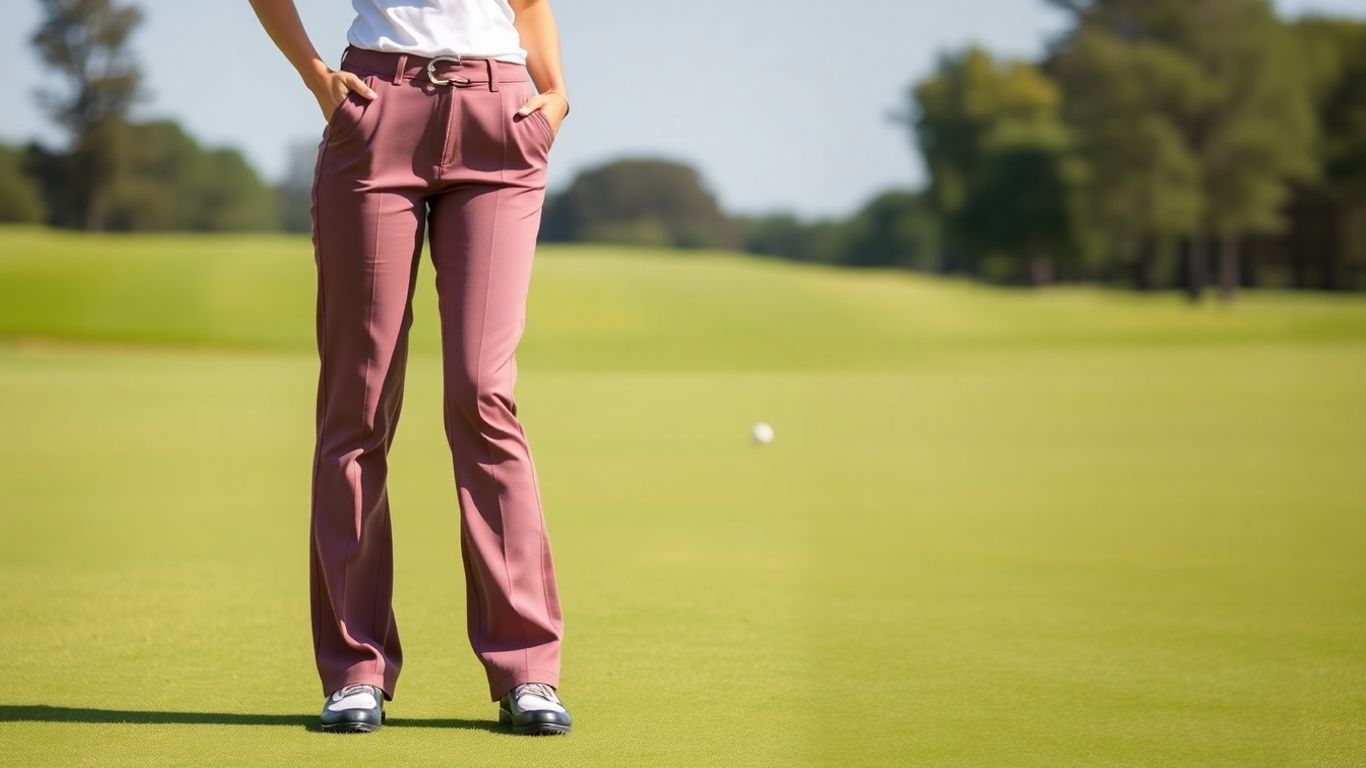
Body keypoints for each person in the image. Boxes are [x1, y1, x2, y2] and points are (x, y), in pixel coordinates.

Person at [247, 0, 573, 736]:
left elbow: (527, 3)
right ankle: (356, 671)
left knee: (483, 392)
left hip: (501, 116)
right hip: (376, 108)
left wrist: (557, 95)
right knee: (357, 404)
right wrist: (317, 78)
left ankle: (527, 671)